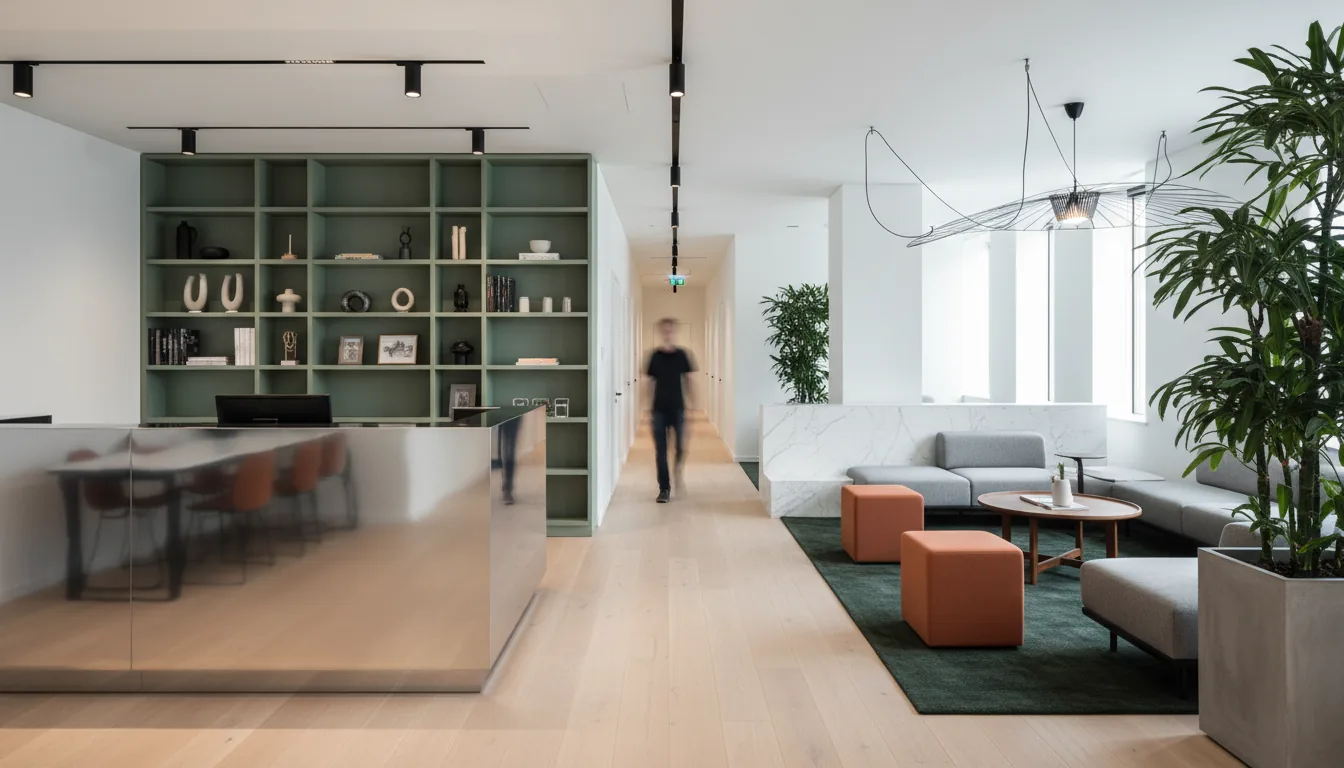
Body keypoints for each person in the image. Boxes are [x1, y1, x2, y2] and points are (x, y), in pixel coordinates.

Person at [645, 318, 696, 503]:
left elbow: (689, 380)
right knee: (661, 451)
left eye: (670, 330)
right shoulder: (654, 356)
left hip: (678, 408)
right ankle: (664, 489)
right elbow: (650, 383)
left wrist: (693, 406)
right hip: (658, 410)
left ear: (674, 332)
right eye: (665, 330)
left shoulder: (682, 355)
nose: (668, 333)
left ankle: (678, 469)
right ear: (661, 332)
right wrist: (647, 407)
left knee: (680, 447)